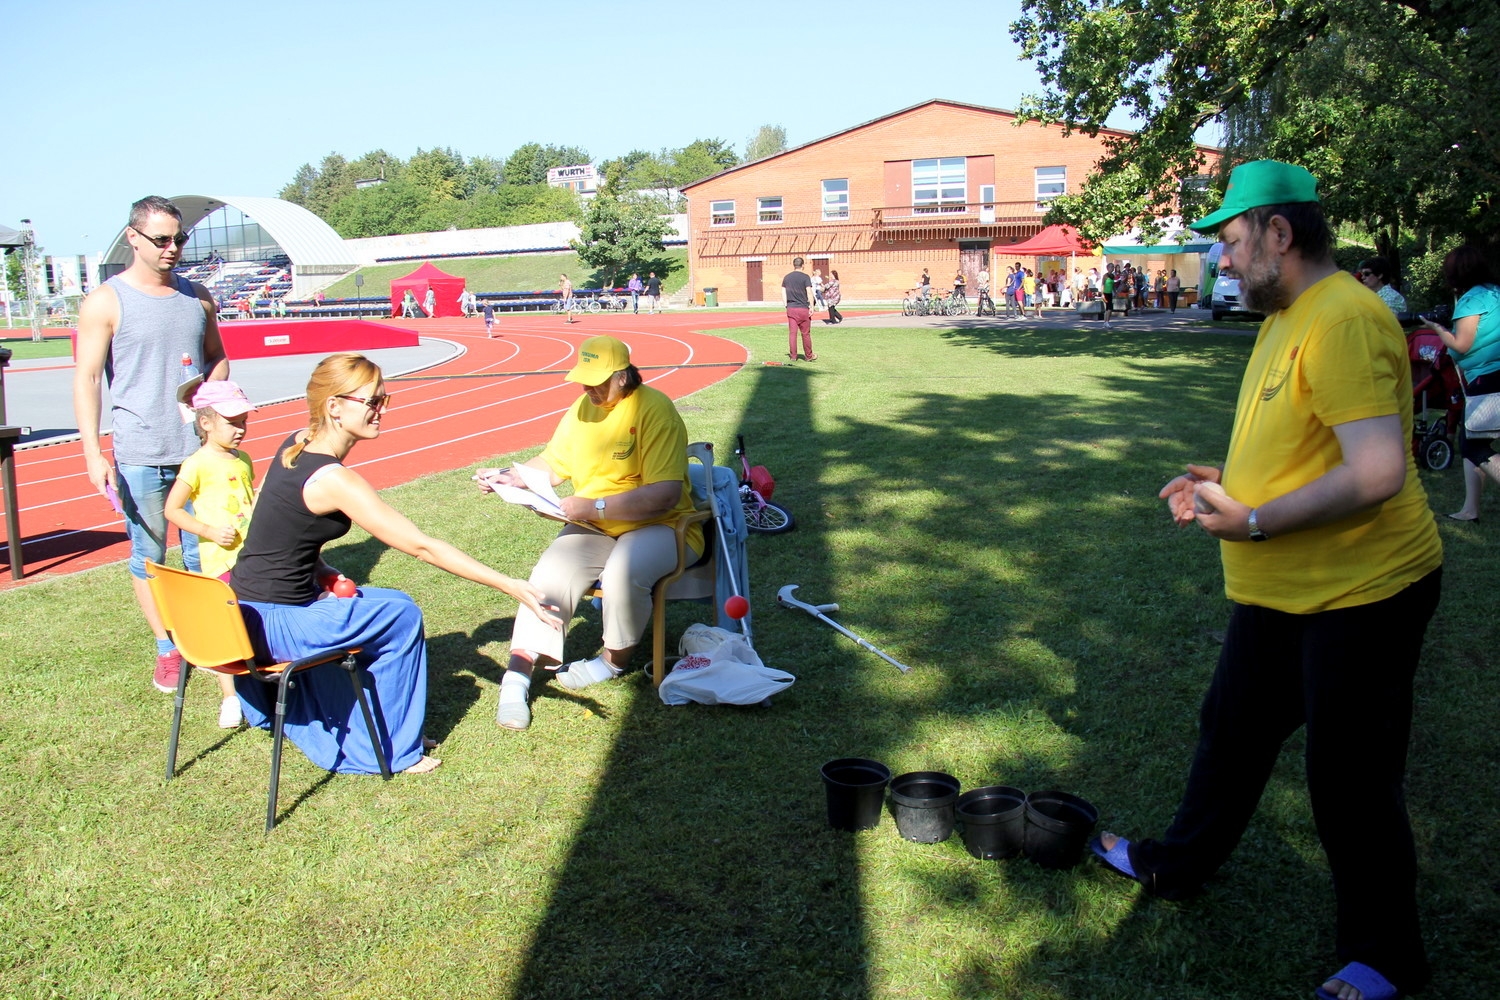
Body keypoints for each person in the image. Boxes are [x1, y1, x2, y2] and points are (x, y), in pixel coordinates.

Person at [1095, 161, 1443, 1000]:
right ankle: (1175, 865)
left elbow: (1375, 472)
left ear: (1278, 235)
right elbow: (1306, 445)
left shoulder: (1347, 321)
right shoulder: (1285, 315)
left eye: (1228, 242)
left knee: (1349, 779)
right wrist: (1228, 479)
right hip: (1284, 590)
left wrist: (1250, 519)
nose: (1220, 261)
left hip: (1365, 591)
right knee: (1233, 731)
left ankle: (1386, 957)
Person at [230, 353, 560, 771]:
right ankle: (391, 750)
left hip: (243, 611)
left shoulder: (295, 443)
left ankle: (354, 719)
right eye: (371, 401)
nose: (382, 410)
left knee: (381, 602)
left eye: (385, 398)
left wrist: (321, 571)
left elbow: (280, 533)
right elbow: (421, 546)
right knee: (400, 613)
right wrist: (508, 584)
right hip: (275, 625)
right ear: (334, 406)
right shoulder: (332, 480)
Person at [473, 337, 701, 731]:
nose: (589, 390)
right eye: (584, 381)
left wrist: (593, 506)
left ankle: (613, 662)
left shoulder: (654, 409)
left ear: (624, 375)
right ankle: (517, 677)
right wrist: (511, 478)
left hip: (662, 525)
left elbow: (665, 494)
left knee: (622, 572)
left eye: (598, 381)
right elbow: (553, 462)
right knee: (548, 576)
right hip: (594, 524)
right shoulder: (583, 407)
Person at [73, 195, 229, 695]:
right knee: (149, 555)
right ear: (133, 238)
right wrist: (92, 452)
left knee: (200, 551)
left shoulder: (198, 297)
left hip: (196, 451)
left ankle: (205, 638)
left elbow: (218, 360)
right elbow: (87, 378)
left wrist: (209, 398)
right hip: (141, 452)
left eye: (178, 238)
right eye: (161, 239)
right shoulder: (106, 302)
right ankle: (168, 648)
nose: (172, 249)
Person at [163, 380, 258, 729]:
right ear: (205, 423)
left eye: (244, 421)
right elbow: (173, 510)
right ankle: (230, 697)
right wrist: (209, 531)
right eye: (232, 422)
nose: (241, 429)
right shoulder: (196, 464)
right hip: (220, 561)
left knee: (255, 618)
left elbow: (248, 499)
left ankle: (259, 685)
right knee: (226, 627)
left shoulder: (244, 459)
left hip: (252, 556)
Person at [1420, 243, 1500, 520]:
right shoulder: (1495, 293)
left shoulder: (1471, 301)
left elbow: (1462, 345)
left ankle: (1470, 509)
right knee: (1473, 441)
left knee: (1473, 446)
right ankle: (1470, 509)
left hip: (1487, 381)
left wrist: (1437, 329)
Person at [782, 256, 816, 361]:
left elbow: (783, 292)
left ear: (794, 265)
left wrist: (786, 305)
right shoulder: (805, 277)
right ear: (803, 266)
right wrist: (812, 306)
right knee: (805, 333)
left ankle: (793, 356)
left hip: (791, 308)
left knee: (792, 333)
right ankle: (809, 356)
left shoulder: (787, 277)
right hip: (803, 308)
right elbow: (809, 292)